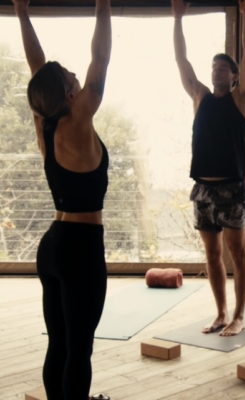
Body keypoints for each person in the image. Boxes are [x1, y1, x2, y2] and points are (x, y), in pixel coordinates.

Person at [12, 0, 112, 397]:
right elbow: (100, 59)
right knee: (79, 350)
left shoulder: (45, 125)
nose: (76, 73)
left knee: (59, 345)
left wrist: (22, 13)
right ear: (70, 92)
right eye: (72, 74)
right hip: (81, 249)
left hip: (52, 245)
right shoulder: (78, 120)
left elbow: (37, 69)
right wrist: (103, 6)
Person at [172, 0, 245, 336]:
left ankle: (239, 316)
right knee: (212, 253)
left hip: (231, 189)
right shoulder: (200, 97)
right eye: (214, 67)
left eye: (223, 68)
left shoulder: (242, 98)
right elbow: (181, 61)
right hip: (203, 189)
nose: (216, 71)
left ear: (234, 77)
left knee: (238, 252)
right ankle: (221, 313)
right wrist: (178, 19)